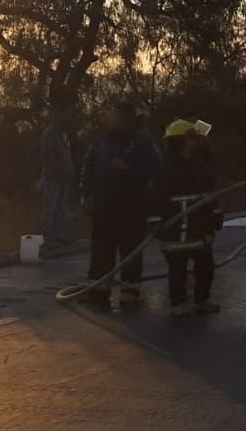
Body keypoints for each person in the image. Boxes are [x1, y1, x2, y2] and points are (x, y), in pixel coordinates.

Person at [81, 101, 161, 310]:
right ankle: (99, 288)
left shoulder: (143, 141)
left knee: (130, 249)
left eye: (117, 118)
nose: (113, 121)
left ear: (128, 119)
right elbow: (89, 166)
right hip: (103, 206)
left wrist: (130, 169)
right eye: (111, 117)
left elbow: (156, 170)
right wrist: (85, 193)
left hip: (131, 207)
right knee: (101, 249)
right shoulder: (102, 140)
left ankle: (130, 292)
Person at [154, 119, 223, 317]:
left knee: (206, 266)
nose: (195, 143)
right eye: (191, 139)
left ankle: (202, 300)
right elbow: (154, 200)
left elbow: (210, 196)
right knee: (177, 269)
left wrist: (215, 220)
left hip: (198, 229)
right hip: (175, 232)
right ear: (180, 142)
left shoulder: (199, 166)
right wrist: (157, 225)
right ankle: (179, 303)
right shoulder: (165, 170)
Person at [40, 107, 76, 252]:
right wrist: (59, 170)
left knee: (61, 208)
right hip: (54, 177)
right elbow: (49, 157)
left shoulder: (63, 135)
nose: (65, 119)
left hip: (64, 177)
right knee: (52, 207)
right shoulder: (49, 135)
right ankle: (49, 238)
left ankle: (59, 236)